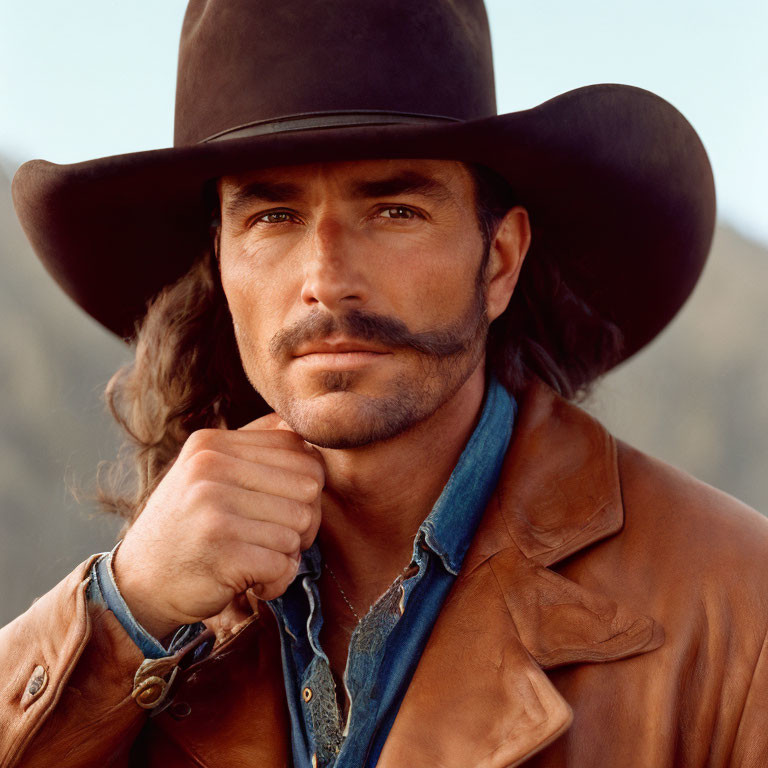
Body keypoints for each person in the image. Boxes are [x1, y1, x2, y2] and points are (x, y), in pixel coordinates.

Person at [2, 0, 767, 766]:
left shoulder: (738, 605)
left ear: (498, 260)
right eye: (272, 217)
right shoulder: (162, 603)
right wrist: (120, 612)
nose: (327, 281)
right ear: (222, 265)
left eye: (395, 209)